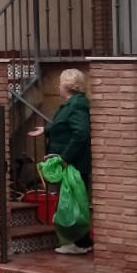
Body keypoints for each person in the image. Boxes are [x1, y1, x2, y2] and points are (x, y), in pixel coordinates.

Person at [30, 68, 92, 255]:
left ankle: (80, 243)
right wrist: (47, 130)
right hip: (70, 164)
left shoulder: (77, 105)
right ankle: (79, 241)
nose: (57, 86)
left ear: (67, 85)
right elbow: (63, 124)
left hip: (74, 165)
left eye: (59, 83)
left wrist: (65, 158)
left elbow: (81, 133)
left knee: (71, 204)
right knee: (69, 203)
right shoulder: (72, 104)